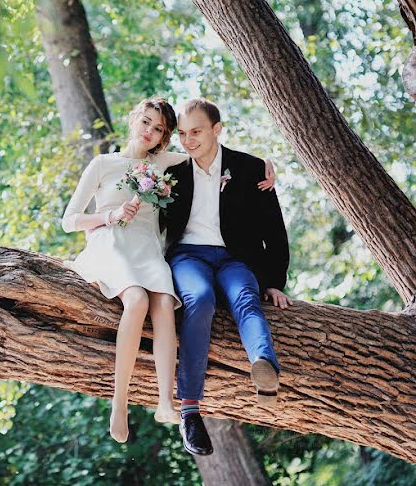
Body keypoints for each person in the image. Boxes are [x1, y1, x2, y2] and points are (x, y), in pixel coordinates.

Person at [60, 97, 276, 443]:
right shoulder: (103, 164)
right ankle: (119, 401)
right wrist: (109, 216)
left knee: (164, 303)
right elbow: (69, 220)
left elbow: (213, 154)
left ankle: (165, 401)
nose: (149, 131)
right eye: (145, 122)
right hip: (111, 242)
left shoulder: (168, 164)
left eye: (158, 128)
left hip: (148, 248)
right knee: (137, 301)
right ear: (135, 119)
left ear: (164, 135)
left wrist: (262, 163)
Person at [162, 97, 291, 457]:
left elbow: (274, 227)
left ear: (217, 130)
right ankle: (189, 408)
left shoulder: (250, 169)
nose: (188, 141)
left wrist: (275, 280)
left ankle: (264, 370)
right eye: (183, 134)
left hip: (235, 258)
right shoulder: (172, 171)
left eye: (197, 132)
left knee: (245, 297)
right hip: (189, 257)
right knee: (199, 299)